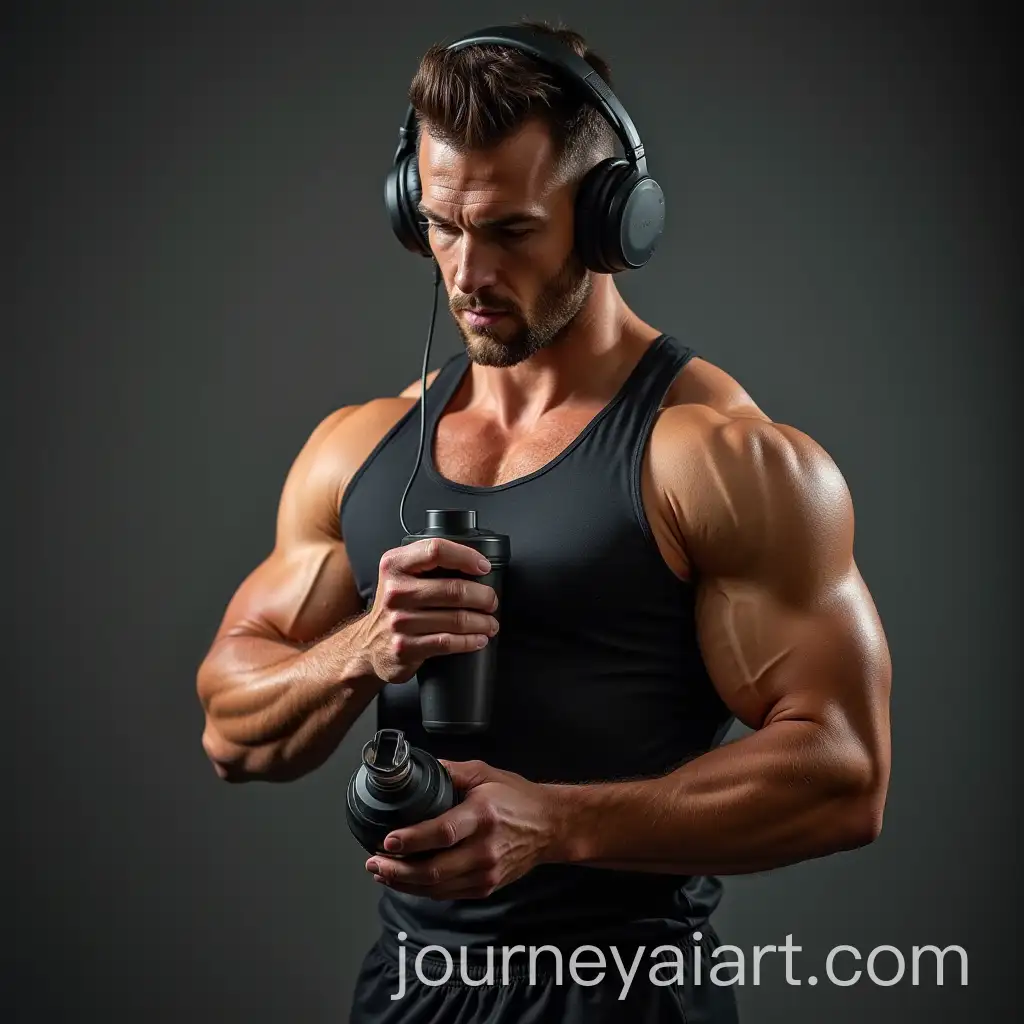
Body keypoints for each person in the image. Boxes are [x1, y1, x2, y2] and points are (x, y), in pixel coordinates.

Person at [196, 20, 892, 1024]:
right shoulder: (360, 447)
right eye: (440, 224)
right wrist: (361, 647)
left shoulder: (716, 457)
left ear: (611, 219)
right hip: (412, 994)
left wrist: (558, 825)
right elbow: (231, 729)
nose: (467, 271)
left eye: (512, 229)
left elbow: (845, 772)